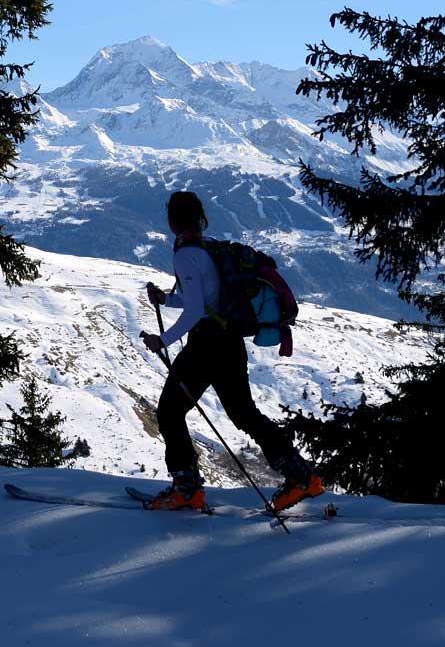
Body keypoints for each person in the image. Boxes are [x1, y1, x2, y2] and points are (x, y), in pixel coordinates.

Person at [138, 190, 324, 512]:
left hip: (205, 346)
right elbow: (208, 302)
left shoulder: (185, 254)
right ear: (199, 218)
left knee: (169, 412)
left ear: (172, 221)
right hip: (229, 343)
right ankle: (303, 478)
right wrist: (167, 300)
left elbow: (196, 309)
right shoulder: (209, 247)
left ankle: (186, 490)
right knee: (245, 415)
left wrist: (163, 340)